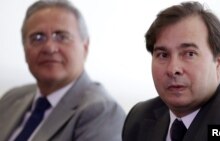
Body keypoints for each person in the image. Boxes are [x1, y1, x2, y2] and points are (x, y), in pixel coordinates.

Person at [122, 1, 220, 141]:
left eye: (189, 54)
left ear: (219, 61)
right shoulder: (139, 118)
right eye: (163, 55)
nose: (173, 69)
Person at [0, 0, 126, 141]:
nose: (49, 47)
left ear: (85, 47)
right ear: (24, 49)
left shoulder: (102, 112)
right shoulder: (11, 99)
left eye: (61, 37)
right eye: (37, 38)